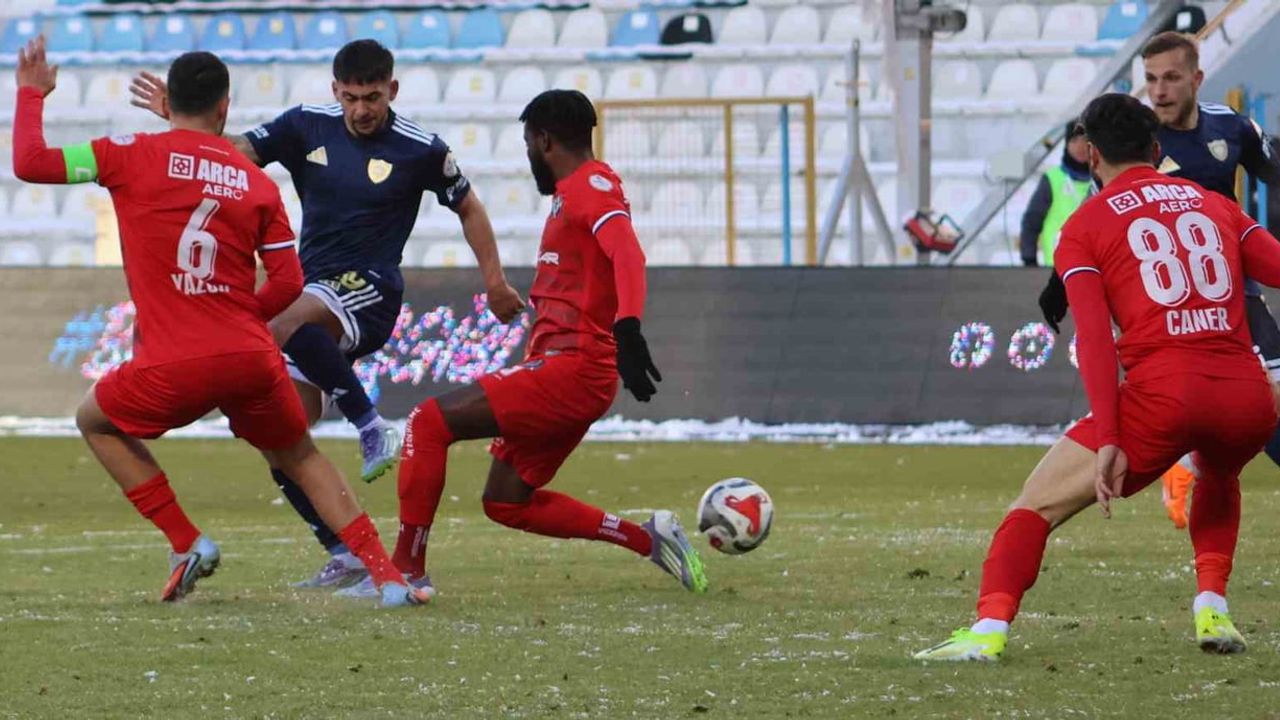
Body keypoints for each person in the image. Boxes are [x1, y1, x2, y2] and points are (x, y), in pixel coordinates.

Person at [12, 40, 428, 607]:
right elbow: (288, 282)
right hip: (250, 356)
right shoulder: (256, 183)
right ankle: (387, 577)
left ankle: (186, 542)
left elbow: (30, 163)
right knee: (300, 455)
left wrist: (32, 94)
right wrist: (238, 318)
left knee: (96, 420)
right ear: (225, 107)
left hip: (173, 360)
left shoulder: (124, 153)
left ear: (170, 103)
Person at [129, 40, 525, 589]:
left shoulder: (421, 149)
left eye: (372, 97)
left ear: (392, 90)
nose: (361, 109)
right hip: (312, 290)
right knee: (278, 436)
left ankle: (371, 427)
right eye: (351, 98)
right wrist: (183, 123)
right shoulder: (305, 125)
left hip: (371, 289)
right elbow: (237, 152)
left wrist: (496, 282)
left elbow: (470, 207)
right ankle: (344, 552)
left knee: (280, 322)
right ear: (335, 91)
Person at [915, 92, 1280, 661]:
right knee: (1219, 473)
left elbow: (1095, 344)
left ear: (1091, 156)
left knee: (1034, 506)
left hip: (1163, 399)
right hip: (1246, 400)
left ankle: (987, 630)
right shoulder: (1214, 203)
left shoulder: (1085, 225)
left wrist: (1110, 438)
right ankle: (1213, 607)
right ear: (1156, 150)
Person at [333, 89, 707, 599]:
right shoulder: (575, 192)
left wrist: (629, 327)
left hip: (573, 369)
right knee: (507, 501)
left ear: (544, 140)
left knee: (427, 423)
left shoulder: (589, 187)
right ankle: (649, 539)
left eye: (529, 143)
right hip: (573, 370)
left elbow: (628, 253)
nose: (529, 154)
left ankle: (406, 570)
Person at [1037, 32, 1280, 529]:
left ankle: (1190, 463)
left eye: (1170, 78)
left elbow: (1275, 173)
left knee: (1265, 411)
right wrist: (1059, 283)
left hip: (1234, 292)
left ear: (1197, 78)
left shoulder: (1232, 126)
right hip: (1170, 306)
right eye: (1150, 79)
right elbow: (1094, 219)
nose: (1159, 90)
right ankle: (1191, 462)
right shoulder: (1135, 145)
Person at [1020, 120, 1092, 267]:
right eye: (1074, 140)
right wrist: (1029, 260)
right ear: (1067, 144)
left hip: (1095, 268)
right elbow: (1032, 222)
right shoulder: (1052, 179)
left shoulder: (1104, 178)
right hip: (1056, 269)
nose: (1080, 146)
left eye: (1085, 140)